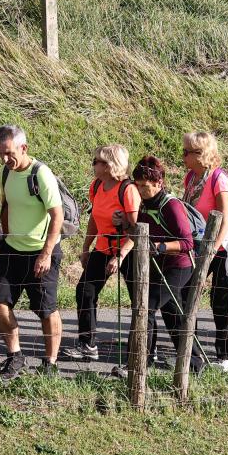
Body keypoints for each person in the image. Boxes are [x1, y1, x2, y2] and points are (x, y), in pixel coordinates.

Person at [0, 124, 66, 383]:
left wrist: (46, 253)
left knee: (45, 310)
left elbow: (57, 215)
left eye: (9, 153)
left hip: (41, 251)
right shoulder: (6, 173)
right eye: (0, 153)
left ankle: (50, 363)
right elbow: (6, 205)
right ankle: (15, 357)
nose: (5, 159)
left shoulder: (40, 174)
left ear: (24, 148)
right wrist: (7, 236)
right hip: (12, 249)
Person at [125, 155, 202, 375]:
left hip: (180, 266)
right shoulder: (145, 204)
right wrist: (124, 224)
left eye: (144, 186)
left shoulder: (172, 205)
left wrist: (159, 247)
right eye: (137, 185)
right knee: (173, 316)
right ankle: (194, 363)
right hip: (160, 265)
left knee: (145, 308)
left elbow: (187, 243)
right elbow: (141, 233)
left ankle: (139, 364)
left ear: (159, 183)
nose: (140, 190)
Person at [63, 145, 139, 364]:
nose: (93, 164)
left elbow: (136, 230)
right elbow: (95, 218)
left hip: (130, 251)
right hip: (104, 248)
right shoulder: (96, 186)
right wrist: (86, 247)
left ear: (109, 166)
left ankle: (141, 349)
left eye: (96, 161)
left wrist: (121, 256)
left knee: (140, 301)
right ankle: (87, 344)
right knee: (85, 291)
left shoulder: (128, 190)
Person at [181, 131, 228, 372]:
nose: (183, 156)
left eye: (187, 152)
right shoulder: (191, 178)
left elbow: (224, 219)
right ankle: (190, 352)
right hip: (199, 245)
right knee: (187, 294)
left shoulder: (219, 179)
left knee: (220, 299)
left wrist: (212, 250)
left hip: (222, 246)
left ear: (201, 154)